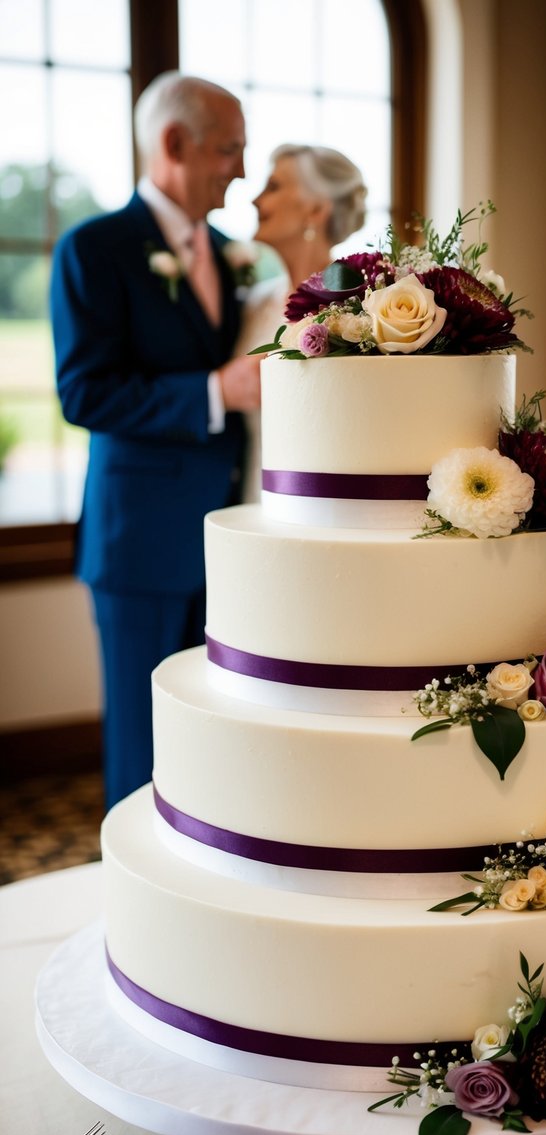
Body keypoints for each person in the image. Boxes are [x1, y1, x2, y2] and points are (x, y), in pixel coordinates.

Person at [50, 72, 262, 811]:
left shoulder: (231, 254)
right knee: (141, 745)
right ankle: (132, 912)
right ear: (174, 143)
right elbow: (85, 391)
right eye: (230, 148)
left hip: (226, 539)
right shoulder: (95, 248)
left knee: (212, 734)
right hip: (139, 543)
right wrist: (216, 392)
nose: (241, 169)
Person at [234, 144, 367, 499]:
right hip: (252, 493)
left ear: (316, 209)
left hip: (324, 498)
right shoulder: (255, 303)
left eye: (274, 187)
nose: (256, 200)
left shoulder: (360, 307)